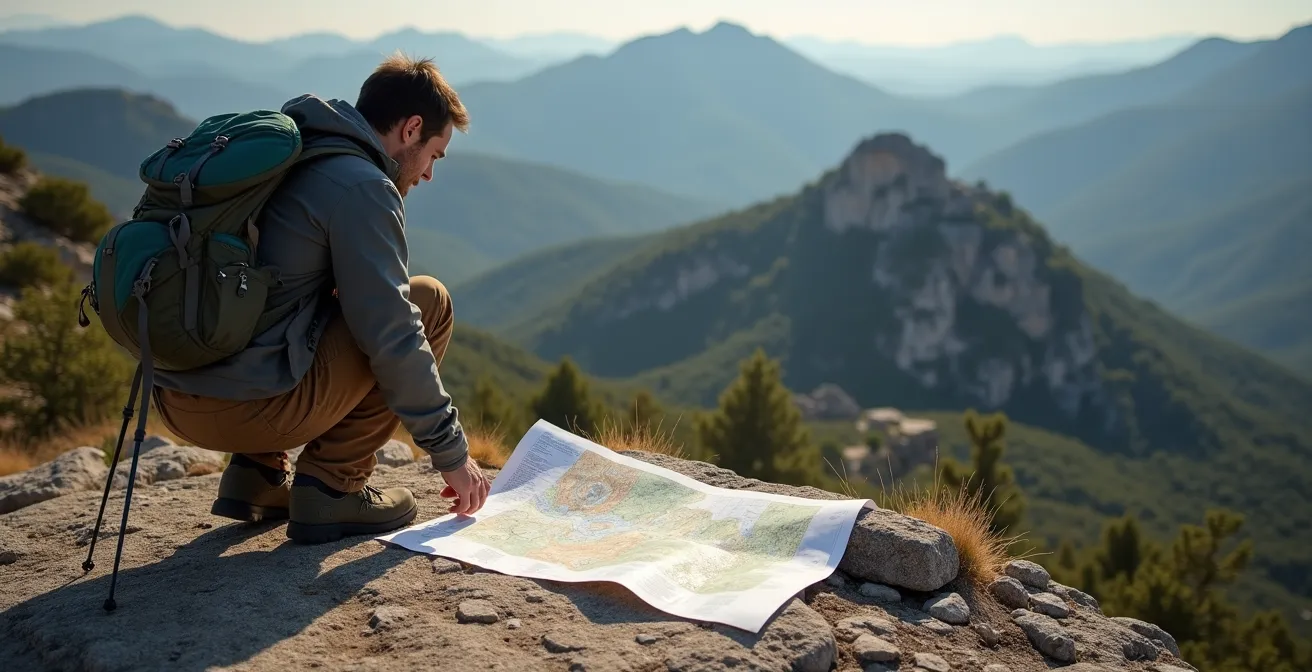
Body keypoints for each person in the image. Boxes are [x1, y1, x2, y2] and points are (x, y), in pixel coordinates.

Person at [148, 53, 491, 544]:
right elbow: (392, 334)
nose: (429, 174)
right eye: (435, 154)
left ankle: (257, 477)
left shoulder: (291, 150)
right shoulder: (364, 187)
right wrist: (452, 456)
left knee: (306, 293)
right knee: (428, 302)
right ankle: (333, 486)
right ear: (412, 128)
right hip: (246, 409)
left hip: (173, 398)